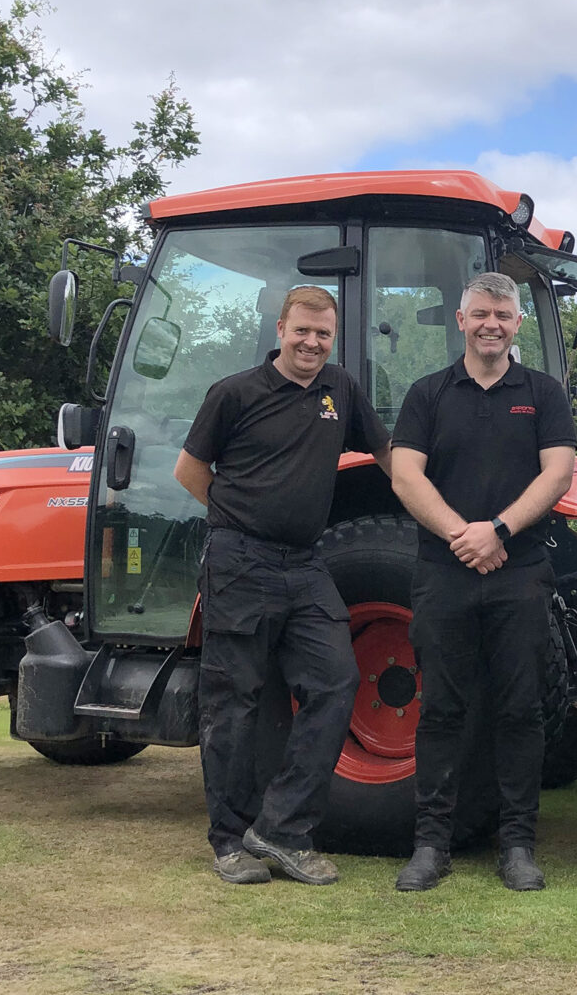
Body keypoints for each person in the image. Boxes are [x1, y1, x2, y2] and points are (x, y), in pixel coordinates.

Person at [174, 285, 391, 887]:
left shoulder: (340, 389)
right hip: (240, 563)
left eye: (323, 334)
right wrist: (239, 516)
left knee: (336, 681)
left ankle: (283, 828)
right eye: (303, 331)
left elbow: (386, 452)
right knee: (234, 701)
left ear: (334, 337)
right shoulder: (235, 393)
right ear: (280, 329)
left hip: (305, 563)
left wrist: (440, 503)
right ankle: (228, 840)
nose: (312, 343)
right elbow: (190, 470)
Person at [388, 272, 577, 892]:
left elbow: (558, 472)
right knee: (442, 708)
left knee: (520, 710)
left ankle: (518, 843)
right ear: (461, 322)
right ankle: (431, 844)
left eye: (502, 314)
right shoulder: (427, 394)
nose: (491, 324)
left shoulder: (543, 393)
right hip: (443, 574)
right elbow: (406, 477)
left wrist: (497, 529)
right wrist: (462, 537)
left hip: (520, 574)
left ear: (516, 324)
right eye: (480, 314)